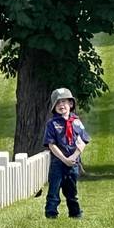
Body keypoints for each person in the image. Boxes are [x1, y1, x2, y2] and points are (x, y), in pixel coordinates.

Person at [43, 87, 90, 219]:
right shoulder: (52, 124)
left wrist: (73, 157)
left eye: (64, 101)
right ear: (54, 107)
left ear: (71, 104)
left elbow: (83, 141)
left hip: (73, 162)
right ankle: (51, 213)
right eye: (58, 103)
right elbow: (51, 144)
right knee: (54, 189)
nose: (61, 105)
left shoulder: (76, 122)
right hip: (58, 162)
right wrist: (64, 159)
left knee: (71, 190)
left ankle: (75, 213)